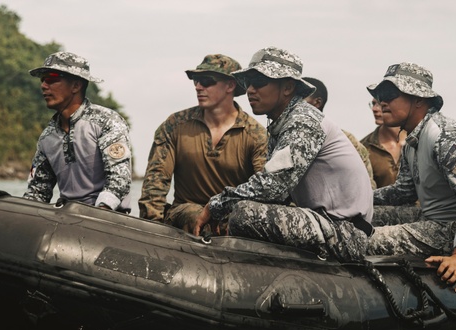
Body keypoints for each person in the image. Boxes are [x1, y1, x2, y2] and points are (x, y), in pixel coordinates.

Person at [193, 47, 374, 261]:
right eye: (248, 82)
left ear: (287, 87)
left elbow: (272, 187)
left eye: (259, 82)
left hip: (345, 233)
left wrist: (216, 205)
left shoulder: (303, 122)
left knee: (244, 214)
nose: (250, 90)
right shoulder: (282, 122)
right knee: (245, 209)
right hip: (327, 223)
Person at [365, 63, 456, 292]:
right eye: (379, 96)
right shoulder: (413, 139)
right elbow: (404, 192)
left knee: (362, 239)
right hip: (438, 220)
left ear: (419, 99)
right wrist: (356, 199)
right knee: (361, 215)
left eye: (389, 94)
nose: (381, 102)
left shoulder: (443, 135)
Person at [138, 54, 267, 232]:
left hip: (230, 219)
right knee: (194, 213)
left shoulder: (256, 135)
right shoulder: (175, 125)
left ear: (230, 85)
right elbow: (155, 184)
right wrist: (150, 229)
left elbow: (264, 190)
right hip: (184, 214)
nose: (198, 87)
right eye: (195, 81)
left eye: (206, 81)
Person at [23, 51, 132, 211]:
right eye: (43, 80)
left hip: (109, 219)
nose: (44, 85)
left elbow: (120, 179)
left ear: (76, 86)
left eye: (52, 79)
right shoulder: (47, 137)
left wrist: (101, 210)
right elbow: (37, 191)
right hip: (67, 219)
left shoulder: (106, 122)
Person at [302, 76, 375, 185]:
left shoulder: (345, 140)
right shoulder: (279, 135)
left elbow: (366, 185)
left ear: (317, 103)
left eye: (299, 99)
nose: (291, 104)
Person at [360, 98, 405, 188]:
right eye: (373, 104)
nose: (374, 109)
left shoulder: (420, 141)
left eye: (381, 104)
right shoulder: (364, 148)